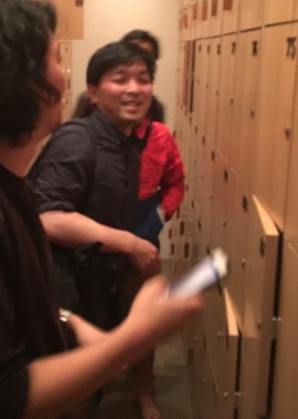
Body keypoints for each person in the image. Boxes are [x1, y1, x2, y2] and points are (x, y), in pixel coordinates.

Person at [0, 0, 203, 419]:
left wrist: (71, 326)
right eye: (56, 59)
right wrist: (131, 338)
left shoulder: (6, 186)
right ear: (17, 80)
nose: (65, 75)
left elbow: (13, 307)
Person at [29, 41, 171, 418]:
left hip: (97, 282)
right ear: (93, 92)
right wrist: (130, 244)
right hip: (65, 289)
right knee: (71, 397)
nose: (134, 89)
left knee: (89, 389)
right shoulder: (79, 139)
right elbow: (47, 216)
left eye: (142, 79)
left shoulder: (127, 142)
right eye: (120, 79)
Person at [121, 30, 186, 419]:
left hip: (144, 227)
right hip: (98, 231)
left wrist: (160, 215)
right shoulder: (88, 121)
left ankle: (144, 390)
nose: (133, 86)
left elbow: (175, 181)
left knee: (144, 315)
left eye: (145, 69)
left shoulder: (157, 127)